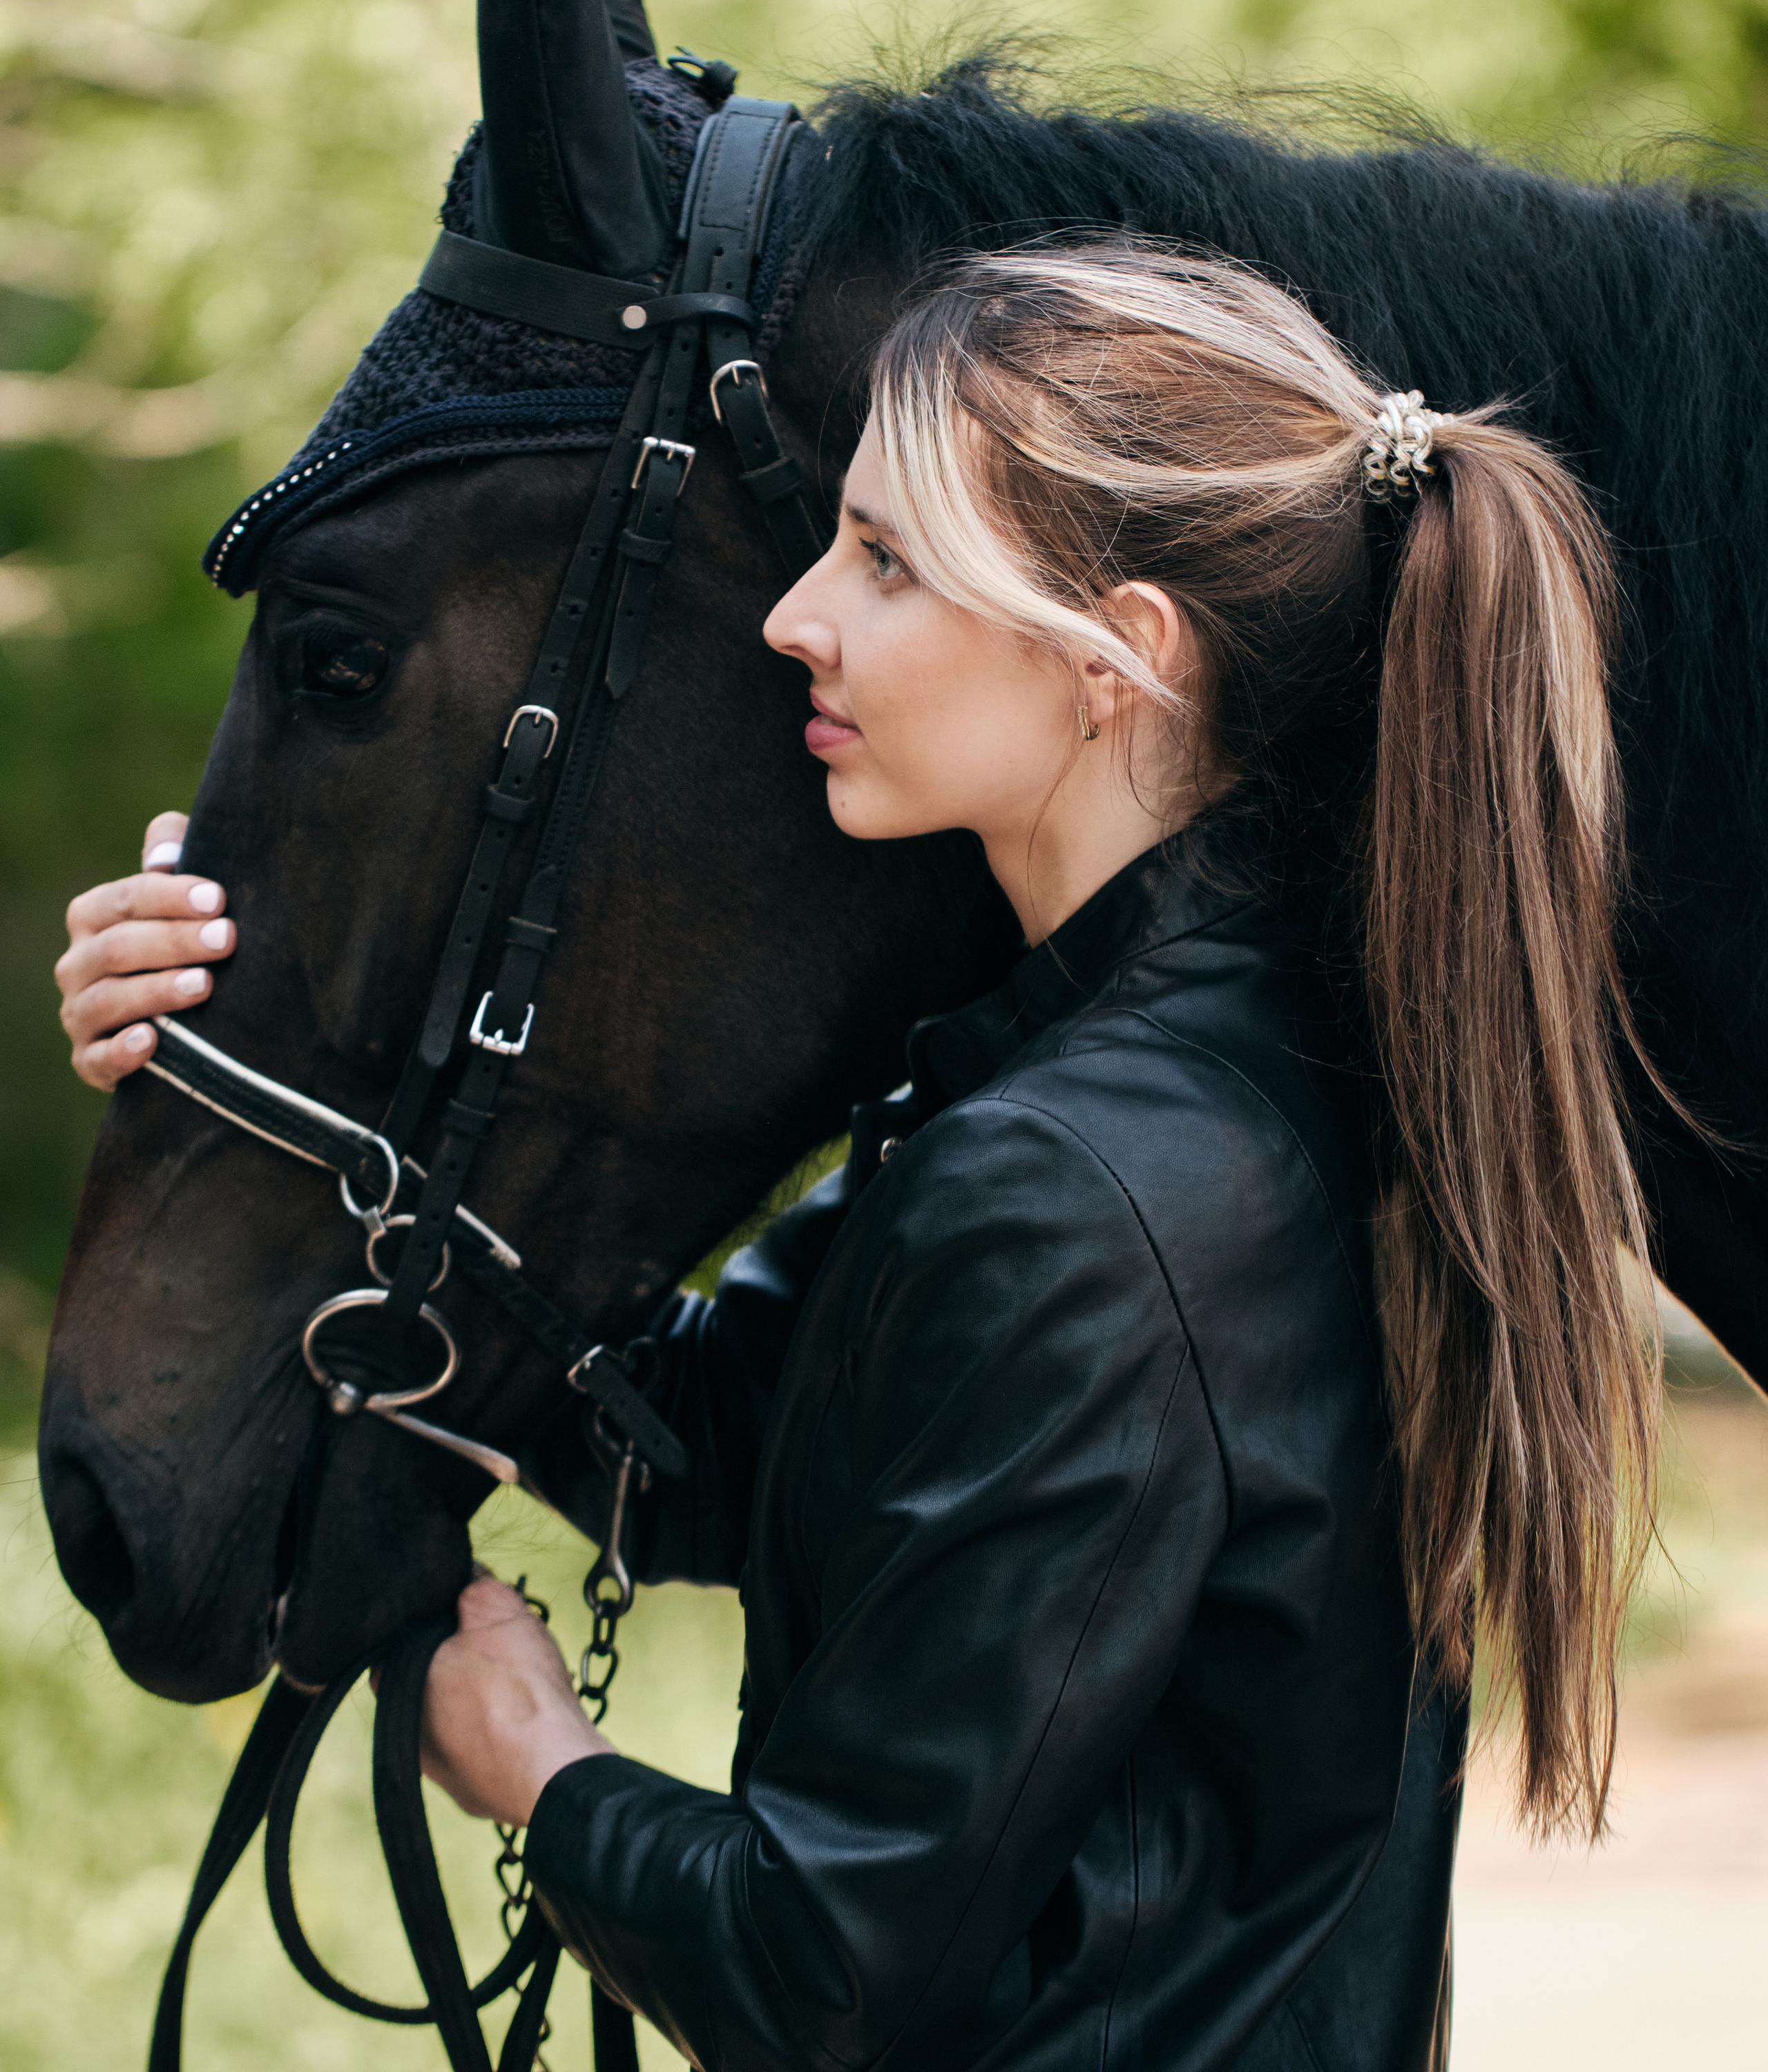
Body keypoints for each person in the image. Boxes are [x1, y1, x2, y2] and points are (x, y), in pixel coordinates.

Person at [57, 242, 1664, 2072]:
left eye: (888, 562)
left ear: (1116, 660)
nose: (794, 617)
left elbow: (821, 1966)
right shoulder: (1188, 1074)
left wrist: (541, 1774)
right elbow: (736, 1452)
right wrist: (241, 1062)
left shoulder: (1096, 1183)